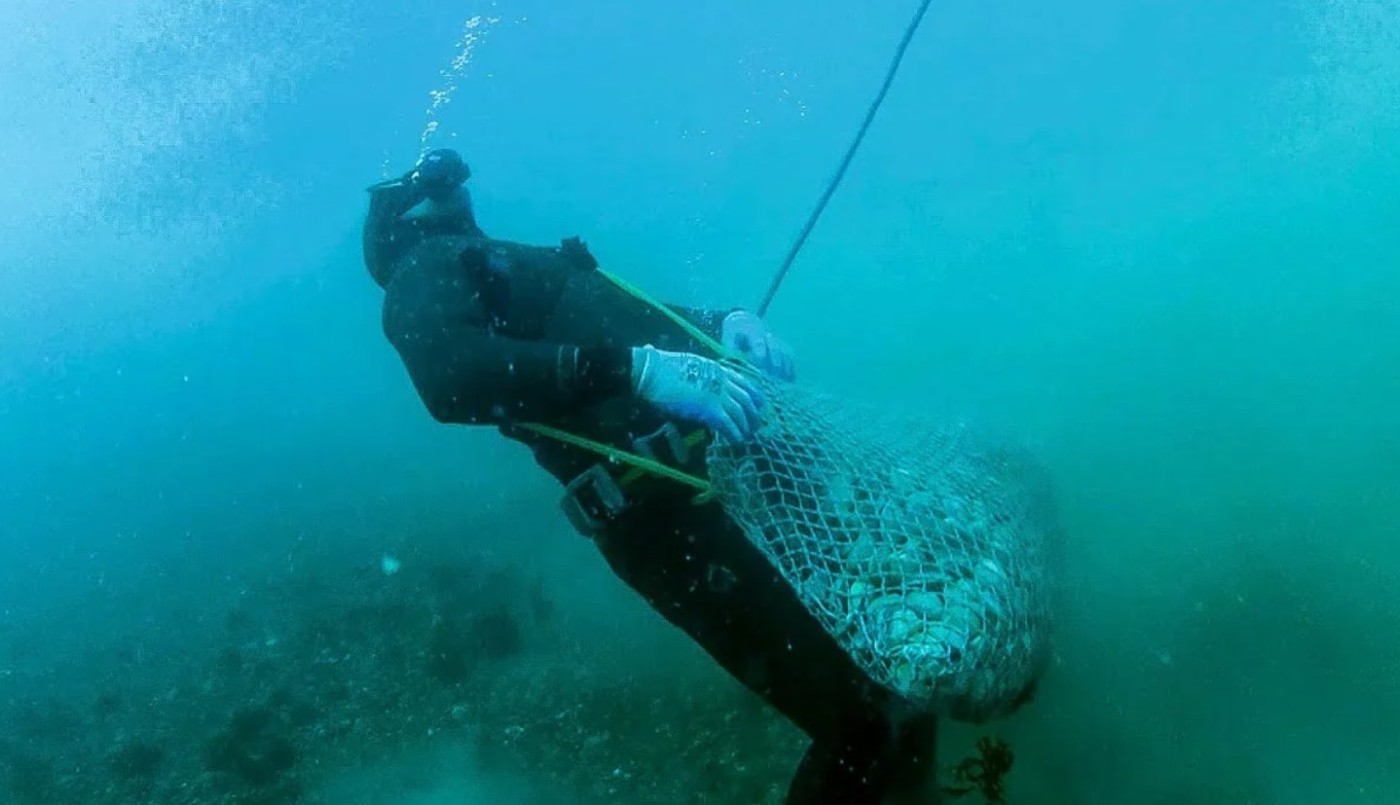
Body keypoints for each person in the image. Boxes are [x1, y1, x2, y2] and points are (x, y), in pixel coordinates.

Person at [363, 147, 941, 804]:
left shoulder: (492, 263)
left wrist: (720, 322)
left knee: (888, 699)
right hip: (672, 519)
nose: (457, 189)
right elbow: (451, 378)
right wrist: (634, 371)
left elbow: (630, 321)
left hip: (725, 492)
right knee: (869, 723)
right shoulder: (422, 270)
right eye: (435, 182)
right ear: (404, 211)